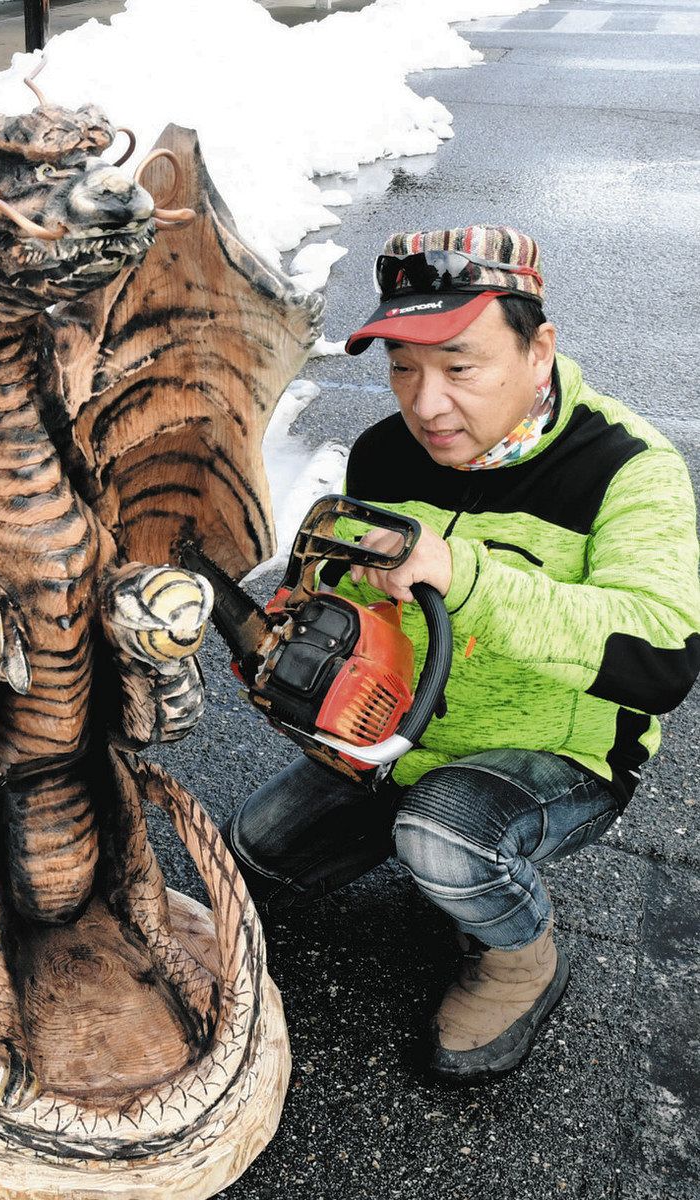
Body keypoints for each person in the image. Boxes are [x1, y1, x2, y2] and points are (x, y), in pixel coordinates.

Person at [222, 225, 700, 1083]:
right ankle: (426, 841)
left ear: (538, 347)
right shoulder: (380, 453)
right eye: (403, 366)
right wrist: (304, 639)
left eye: (459, 366)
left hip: (559, 754)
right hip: (397, 735)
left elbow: (662, 658)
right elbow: (356, 593)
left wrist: (468, 578)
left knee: (442, 836)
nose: (426, 403)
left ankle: (523, 961)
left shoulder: (628, 468)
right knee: (251, 854)